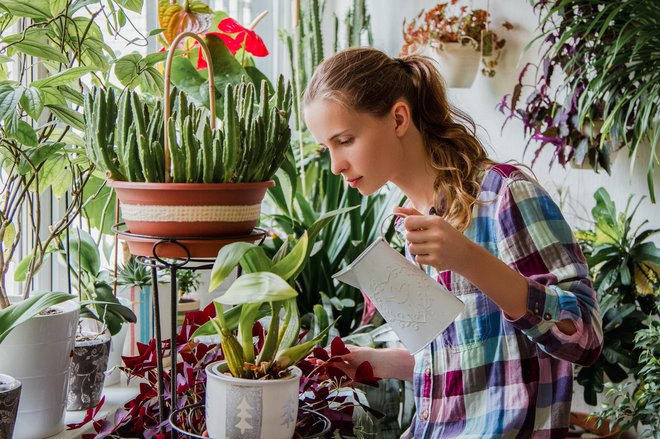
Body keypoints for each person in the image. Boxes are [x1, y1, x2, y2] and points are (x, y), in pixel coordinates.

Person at [303, 47, 603, 438]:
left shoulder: (504, 195)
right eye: (326, 148)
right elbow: (467, 360)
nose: (336, 165)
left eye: (345, 140)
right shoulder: (407, 226)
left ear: (398, 118)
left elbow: (584, 338)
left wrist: (468, 259)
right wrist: (374, 363)